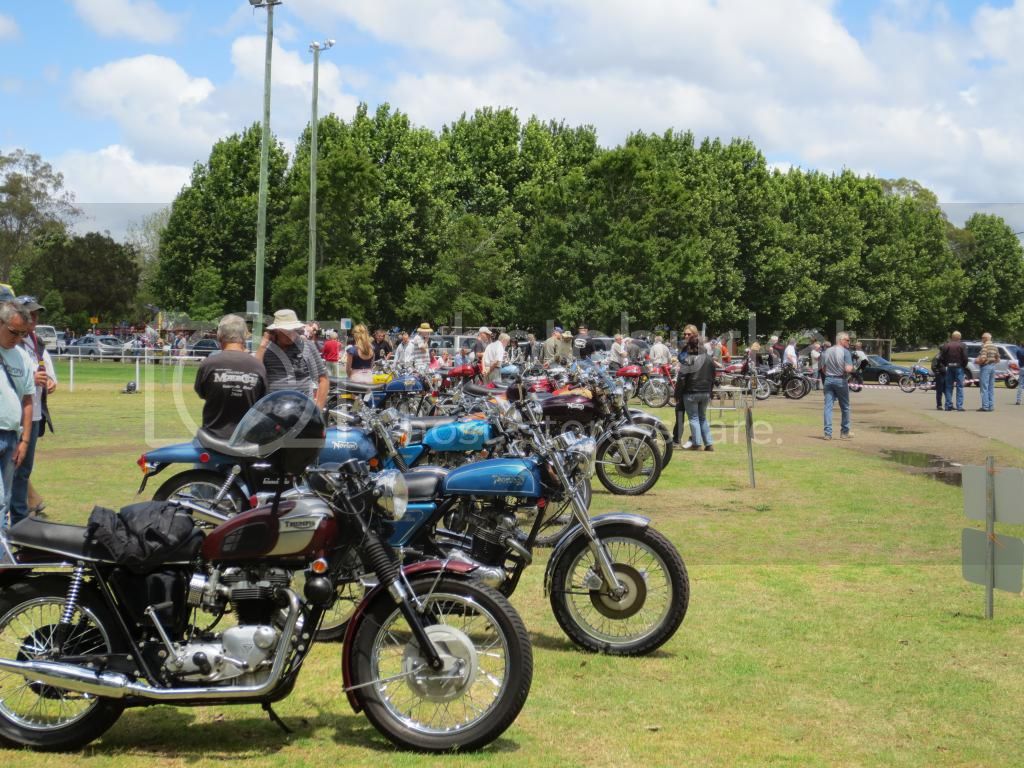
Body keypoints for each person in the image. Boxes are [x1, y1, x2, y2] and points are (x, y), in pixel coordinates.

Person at [9, 297, 56, 523]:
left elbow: (49, 376)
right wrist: (30, 378)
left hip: (33, 415)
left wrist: (49, 382)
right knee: (11, 471)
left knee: (23, 471)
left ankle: (19, 518)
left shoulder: (37, 344)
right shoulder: (8, 344)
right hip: (9, 418)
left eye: (36, 316)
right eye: (30, 316)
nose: (33, 321)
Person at [194, 314, 266, 439]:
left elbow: (202, 393)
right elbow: (261, 398)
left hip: (212, 437)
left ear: (219, 336)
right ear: (244, 336)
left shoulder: (208, 364)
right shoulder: (257, 366)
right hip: (246, 439)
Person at [0, 301, 34, 529]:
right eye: (13, 332)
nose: (18, 338)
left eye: (23, 334)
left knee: (5, 500)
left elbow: (28, 399)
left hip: (13, 437)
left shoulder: (22, 356)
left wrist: (25, 440)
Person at [255, 309, 328, 408]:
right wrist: (262, 345)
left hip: (302, 411)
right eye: (286, 331)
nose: (290, 335)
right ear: (276, 331)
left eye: (293, 330)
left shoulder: (307, 346)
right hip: (272, 411)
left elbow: (323, 379)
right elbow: (255, 375)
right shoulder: (266, 349)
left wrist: (318, 410)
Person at [676, 333, 715, 451]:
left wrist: (677, 393)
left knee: (694, 418)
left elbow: (682, 377)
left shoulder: (688, 359)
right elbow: (713, 376)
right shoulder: (709, 359)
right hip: (705, 391)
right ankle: (709, 444)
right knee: (702, 417)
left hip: (691, 392)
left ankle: (697, 444)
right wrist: (710, 391)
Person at [821, 332, 854, 440]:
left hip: (828, 380)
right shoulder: (846, 352)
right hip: (840, 380)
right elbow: (848, 369)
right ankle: (844, 432)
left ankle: (828, 433)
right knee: (845, 407)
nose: (849, 342)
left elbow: (823, 369)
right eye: (847, 340)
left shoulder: (827, 351)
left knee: (828, 407)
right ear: (841, 340)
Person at [938, 330, 968, 411]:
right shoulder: (962, 345)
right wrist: (963, 366)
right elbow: (965, 357)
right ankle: (959, 406)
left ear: (952, 337)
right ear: (960, 337)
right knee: (960, 387)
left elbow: (941, 357)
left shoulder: (946, 345)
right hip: (959, 367)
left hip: (950, 367)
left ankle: (948, 405)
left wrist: (946, 364)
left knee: (948, 387)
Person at [976, 332, 999, 412]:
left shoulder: (985, 347)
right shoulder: (994, 347)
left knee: (984, 387)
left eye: (982, 338)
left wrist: (977, 362)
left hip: (985, 367)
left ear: (985, 338)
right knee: (991, 387)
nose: (982, 339)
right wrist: (992, 362)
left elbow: (982, 358)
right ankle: (991, 406)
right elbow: (998, 359)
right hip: (993, 367)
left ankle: (985, 406)